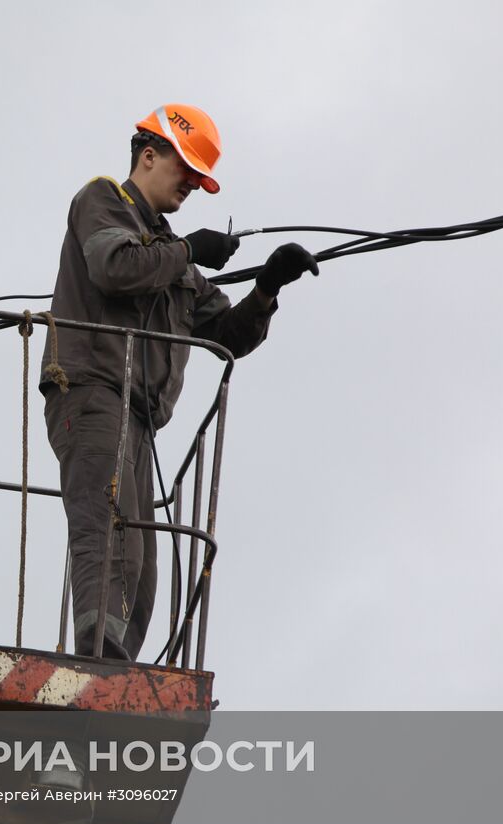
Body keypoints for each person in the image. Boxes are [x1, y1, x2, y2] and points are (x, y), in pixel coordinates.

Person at [41, 104, 318, 660]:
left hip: (139, 423)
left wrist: (268, 286)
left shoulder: (176, 262)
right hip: (92, 394)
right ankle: (98, 667)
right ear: (148, 155)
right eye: (186, 169)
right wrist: (189, 249)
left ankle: (113, 670)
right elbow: (113, 268)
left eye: (199, 176)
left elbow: (228, 334)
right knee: (110, 538)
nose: (192, 184)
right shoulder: (103, 201)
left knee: (141, 569)